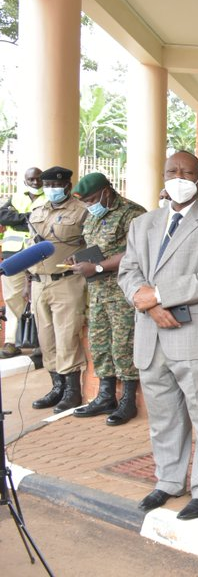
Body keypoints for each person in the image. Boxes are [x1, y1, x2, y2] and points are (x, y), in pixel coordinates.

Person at [118, 151, 198, 521]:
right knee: (164, 416)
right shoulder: (143, 224)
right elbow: (128, 272)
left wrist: (157, 295)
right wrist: (149, 305)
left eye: (187, 172)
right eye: (172, 171)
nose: (178, 177)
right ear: (163, 175)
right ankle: (168, 481)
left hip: (193, 335)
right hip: (151, 335)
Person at [70, 173, 146, 426]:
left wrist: (98, 267)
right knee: (100, 343)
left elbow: (135, 252)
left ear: (106, 191)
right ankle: (105, 396)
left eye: (92, 199)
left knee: (124, 343)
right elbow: (94, 246)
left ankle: (128, 401)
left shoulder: (132, 213)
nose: (89, 205)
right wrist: (79, 261)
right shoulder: (93, 215)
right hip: (98, 292)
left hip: (122, 292)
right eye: (85, 202)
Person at [27, 166, 88, 413]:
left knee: (67, 335)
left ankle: (72, 391)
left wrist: (82, 260)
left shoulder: (82, 211)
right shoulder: (37, 211)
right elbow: (28, 247)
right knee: (46, 338)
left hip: (67, 282)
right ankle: (57, 387)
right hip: (38, 282)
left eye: (56, 185)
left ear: (68, 186)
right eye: (48, 185)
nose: (52, 189)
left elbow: (95, 245)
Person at [0, 167, 46, 359]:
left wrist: (18, 219)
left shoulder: (49, 196)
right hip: (13, 254)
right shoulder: (17, 197)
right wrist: (27, 217)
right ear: (25, 180)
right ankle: (12, 341)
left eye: (38, 179)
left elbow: (44, 222)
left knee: (39, 297)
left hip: (38, 254)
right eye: (31, 179)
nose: (35, 182)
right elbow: (2, 215)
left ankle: (39, 340)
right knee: (12, 297)